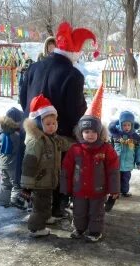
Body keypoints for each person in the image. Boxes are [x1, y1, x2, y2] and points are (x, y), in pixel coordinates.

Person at [19, 21, 98, 219]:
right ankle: (55, 209)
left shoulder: (35, 66)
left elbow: (22, 97)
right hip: (58, 132)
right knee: (56, 171)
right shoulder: (73, 75)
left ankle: (33, 205)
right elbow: (75, 110)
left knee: (33, 164)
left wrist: (33, 118)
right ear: (74, 52)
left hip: (31, 127)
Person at [61, 87, 120, 242]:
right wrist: (65, 189)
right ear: (81, 133)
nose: (90, 135)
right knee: (79, 211)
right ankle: (79, 228)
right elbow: (66, 170)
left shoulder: (106, 149)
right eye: (86, 132)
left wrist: (114, 190)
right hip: (79, 190)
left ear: (99, 133)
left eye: (94, 132)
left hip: (98, 191)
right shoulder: (75, 149)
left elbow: (113, 170)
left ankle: (95, 231)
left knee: (96, 213)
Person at [20, 94, 74, 237]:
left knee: (45, 203)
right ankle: (35, 228)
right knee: (40, 207)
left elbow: (65, 144)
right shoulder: (36, 141)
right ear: (38, 123)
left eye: (54, 123)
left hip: (48, 181)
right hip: (39, 182)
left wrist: (78, 143)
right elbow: (29, 163)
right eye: (48, 124)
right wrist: (26, 185)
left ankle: (45, 218)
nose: (52, 126)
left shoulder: (53, 139)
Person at [0, 106, 26, 209]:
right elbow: (21, 149)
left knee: (5, 184)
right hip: (13, 165)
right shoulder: (16, 136)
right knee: (16, 184)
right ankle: (16, 201)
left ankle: (4, 202)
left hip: (2, 164)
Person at [108, 110, 140, 197]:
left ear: (132, 125)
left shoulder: (135, 137)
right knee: (116, 178)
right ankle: (115, 191)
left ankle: (124, 191)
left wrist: (139, 161)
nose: (126, 127)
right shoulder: (115, 135)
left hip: (128, 163)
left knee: (126, 178)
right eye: (124, 125)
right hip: (116, 162)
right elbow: (109, 148)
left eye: (129, 125)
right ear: (120, 124)